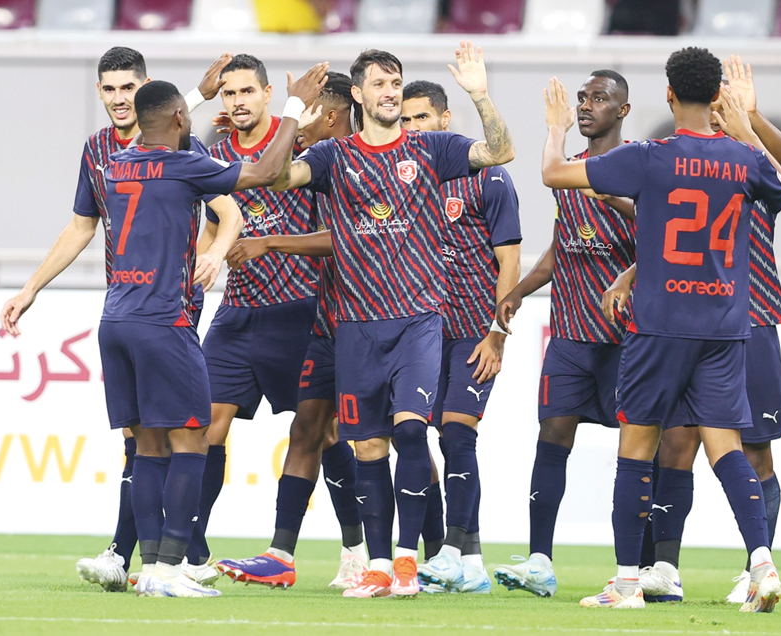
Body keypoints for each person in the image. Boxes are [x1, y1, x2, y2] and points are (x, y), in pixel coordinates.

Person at [0, 66, 329, 597]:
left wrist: (190, 99)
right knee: (191, 439)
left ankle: (151, 567)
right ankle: (173, 567)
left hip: (116, 320)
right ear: (179, 118)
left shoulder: (114, 165)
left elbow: (143, 144)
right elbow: (269, 172)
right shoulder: (184, 166)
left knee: (148, 446)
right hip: (163, 321)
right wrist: (292, 107)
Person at [540, 46, 781, 611]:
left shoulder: (650, 157)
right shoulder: (742, 159)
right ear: (718, 95)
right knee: (727, 447)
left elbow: (553, 174)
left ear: (669, 94)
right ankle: (762, 563)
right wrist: (747, 128)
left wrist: (557, 128)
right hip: (725, 326)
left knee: (637, 447)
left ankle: (627, 583)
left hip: (660, 325)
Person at [262, 41, 514, 598]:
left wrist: (480, 95)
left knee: (410, 430)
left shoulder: (431, 148)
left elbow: (501, 151)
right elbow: (273, 178)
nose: (391, 92)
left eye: (396, 82)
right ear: (357, 93)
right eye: (379, 83)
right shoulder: (334, 157)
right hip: (355, 327)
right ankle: (377, 567)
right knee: (369, 447)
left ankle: (406, 561)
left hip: (418, 319)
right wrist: (291, 112)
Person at [0, 46, 239, 592]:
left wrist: (215, 252)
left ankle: (148, 556)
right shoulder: (98, 150)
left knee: (170, 438)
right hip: (130, 308)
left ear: (145, 88)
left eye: (128, 88)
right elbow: (82, 226)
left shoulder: (182, 146)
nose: (118, 98)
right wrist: (31, 286)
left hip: (171, 307)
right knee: (144, 441)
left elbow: (228, 212)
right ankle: (151, 559)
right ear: (99, 92)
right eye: (108, 89)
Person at [213, 73, 372, 590]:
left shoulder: (345, 164)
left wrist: (271, 242)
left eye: (305, 114)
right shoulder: (302, 157)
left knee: (339, 435)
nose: (298, 125)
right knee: (296, 432)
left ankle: (378, 551)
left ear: (330, 116)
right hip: (273, 315)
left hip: (334, 316)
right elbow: (261, 173)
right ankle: (206, 551)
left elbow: (345, 238)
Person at [490, 70, 636, 598]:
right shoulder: (569, 171)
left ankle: (642, 567)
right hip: (570, 336)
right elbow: (562, 246)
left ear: (622, 110)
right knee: (551, 438)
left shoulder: (639, 165)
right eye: (582, 97)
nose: (587, 106)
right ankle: (539, 561)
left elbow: (661, 237)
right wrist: (518, 291)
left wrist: (618, 199)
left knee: (639, 450)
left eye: (600, 98)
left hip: (626, 339)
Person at [189, 55, 327, 569]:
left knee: (321, 433)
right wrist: (203, 259)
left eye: (247, 91)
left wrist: (271, 244)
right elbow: (213, 225)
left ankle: (354, 549)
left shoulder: (303, 147)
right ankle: (190, 546)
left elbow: (336, 231)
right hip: (238, 314)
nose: (238, 101)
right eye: (229, 93)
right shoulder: (218, 155)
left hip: (300, 311)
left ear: (269, 94)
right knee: (204, 424)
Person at [397, 80, 522, 594]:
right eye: (405, 120)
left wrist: (498, 334)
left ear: (444, 120)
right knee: (415, 439)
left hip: (473, 330)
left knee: (457, 434)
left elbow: (510, 260)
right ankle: (466, 562)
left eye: (421, 118)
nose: (412, 128)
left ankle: (451, 552)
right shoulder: (404, 178)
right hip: (420, 330)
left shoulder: (488, 177)